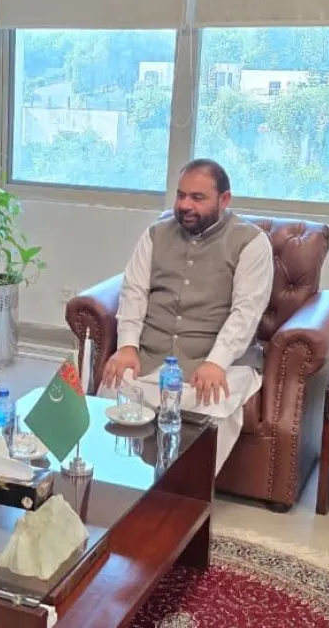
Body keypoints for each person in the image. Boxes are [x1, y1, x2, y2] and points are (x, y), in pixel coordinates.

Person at [99, 158, 273, 474]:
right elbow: (134, 292)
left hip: (218, 361)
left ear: (225, 199)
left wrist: (216, 362)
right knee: (113, 386)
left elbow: (246, 311)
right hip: (153, 356)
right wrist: (127, 346)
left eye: (197, 197)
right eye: (181, 195)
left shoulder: (251, 242)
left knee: (214, 401)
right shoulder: (156, 234)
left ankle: (184, 494)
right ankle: (119, 484)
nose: (184, 205)